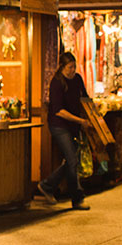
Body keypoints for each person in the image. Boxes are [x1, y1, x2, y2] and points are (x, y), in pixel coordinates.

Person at [37, 51, 92, 210]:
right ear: (62, 67)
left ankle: (47, 186)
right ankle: (77, 198)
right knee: (72, 160)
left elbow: (85, 98)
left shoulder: (77, 79)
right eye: (69, 67)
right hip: (59, 125)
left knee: (71, 161)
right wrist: (80, 120)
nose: (72, 70)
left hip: (73, 126)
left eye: (74, 67)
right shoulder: (57, 83)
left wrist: (93, 113)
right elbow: (58, 110)